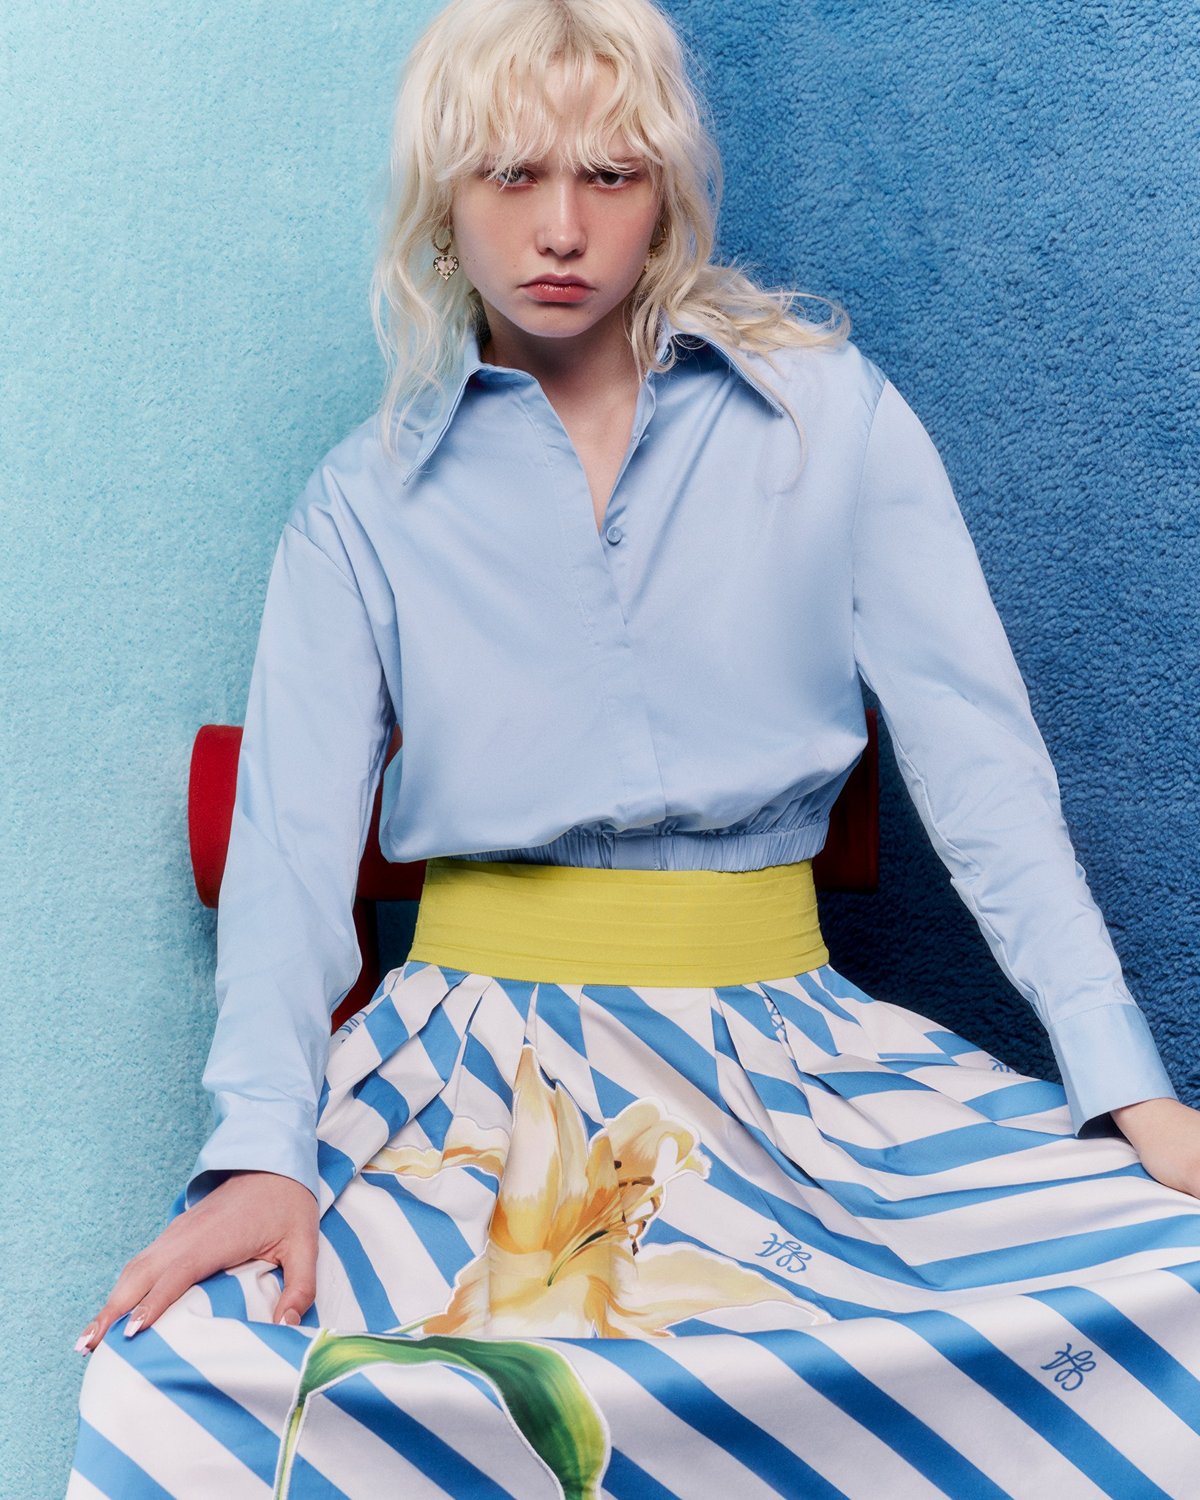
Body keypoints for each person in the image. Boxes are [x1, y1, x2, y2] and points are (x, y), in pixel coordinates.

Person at [69, 0, 1200, 1495]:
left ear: (665, 192)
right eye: (510, 174)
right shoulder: (362, 501)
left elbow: (983, 764)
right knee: (190, 1373)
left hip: (795, 1073)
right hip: (464, 1085)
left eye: (608, 175)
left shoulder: (825, 419)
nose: (560, 228)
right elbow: (287, 849)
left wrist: (1126, 1084)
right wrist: (263, 1154)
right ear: (441, 203)